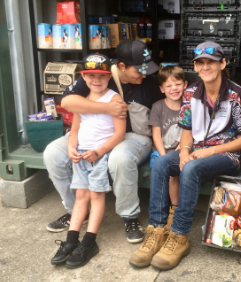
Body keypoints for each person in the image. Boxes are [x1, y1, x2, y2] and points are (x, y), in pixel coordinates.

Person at [129, 41, 241, 269]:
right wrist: (185, 151)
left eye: (211, 62)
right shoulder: (190, 93)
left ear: (222, 63)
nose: (206, 67)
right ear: (195, 67)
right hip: (197, 150)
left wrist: (210, 150)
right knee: (161, 164)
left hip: (228, 155)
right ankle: (157, 231)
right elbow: (187, 131)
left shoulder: (235, 93)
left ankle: (179, 236)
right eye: (201, 63)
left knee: (190, 168)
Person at [44, 40, 164, 243]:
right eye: (139, 70)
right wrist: (107, 108)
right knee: (53, 153)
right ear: (122, 67)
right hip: (92, 132)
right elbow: (67, 102)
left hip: (133, 136)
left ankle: (129, 216)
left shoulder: (149, 83)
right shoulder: (98, 74)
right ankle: (77, 212)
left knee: (120, 158)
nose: (144, 75)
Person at [50, 54, 126, 268]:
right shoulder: (82, 101)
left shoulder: (114, 99)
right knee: (81, 195)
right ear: (83, 76)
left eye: (101, 76)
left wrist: (100, 152)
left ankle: (89, 241)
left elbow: (119, 133)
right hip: (81, 154)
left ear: (109, 77)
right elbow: (74, 130)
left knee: (96, 195)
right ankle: (71, 240)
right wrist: (71, 147)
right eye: (90, 75)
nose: (96, 80)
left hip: (98, 155)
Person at [148, 65, 188, 229]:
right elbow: (156, 134)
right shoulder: (158, 107)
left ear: (185, 85)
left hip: (182, 148)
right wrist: (163, 155)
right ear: (162, 89)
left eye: (177, 84)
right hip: (161, 150)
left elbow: (188, 132)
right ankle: (162, 212)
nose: (174, 89)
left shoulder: (188, 106)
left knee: (175, 174)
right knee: (163, 170)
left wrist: (180, 150)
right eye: (168, 85)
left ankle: (174, 209)